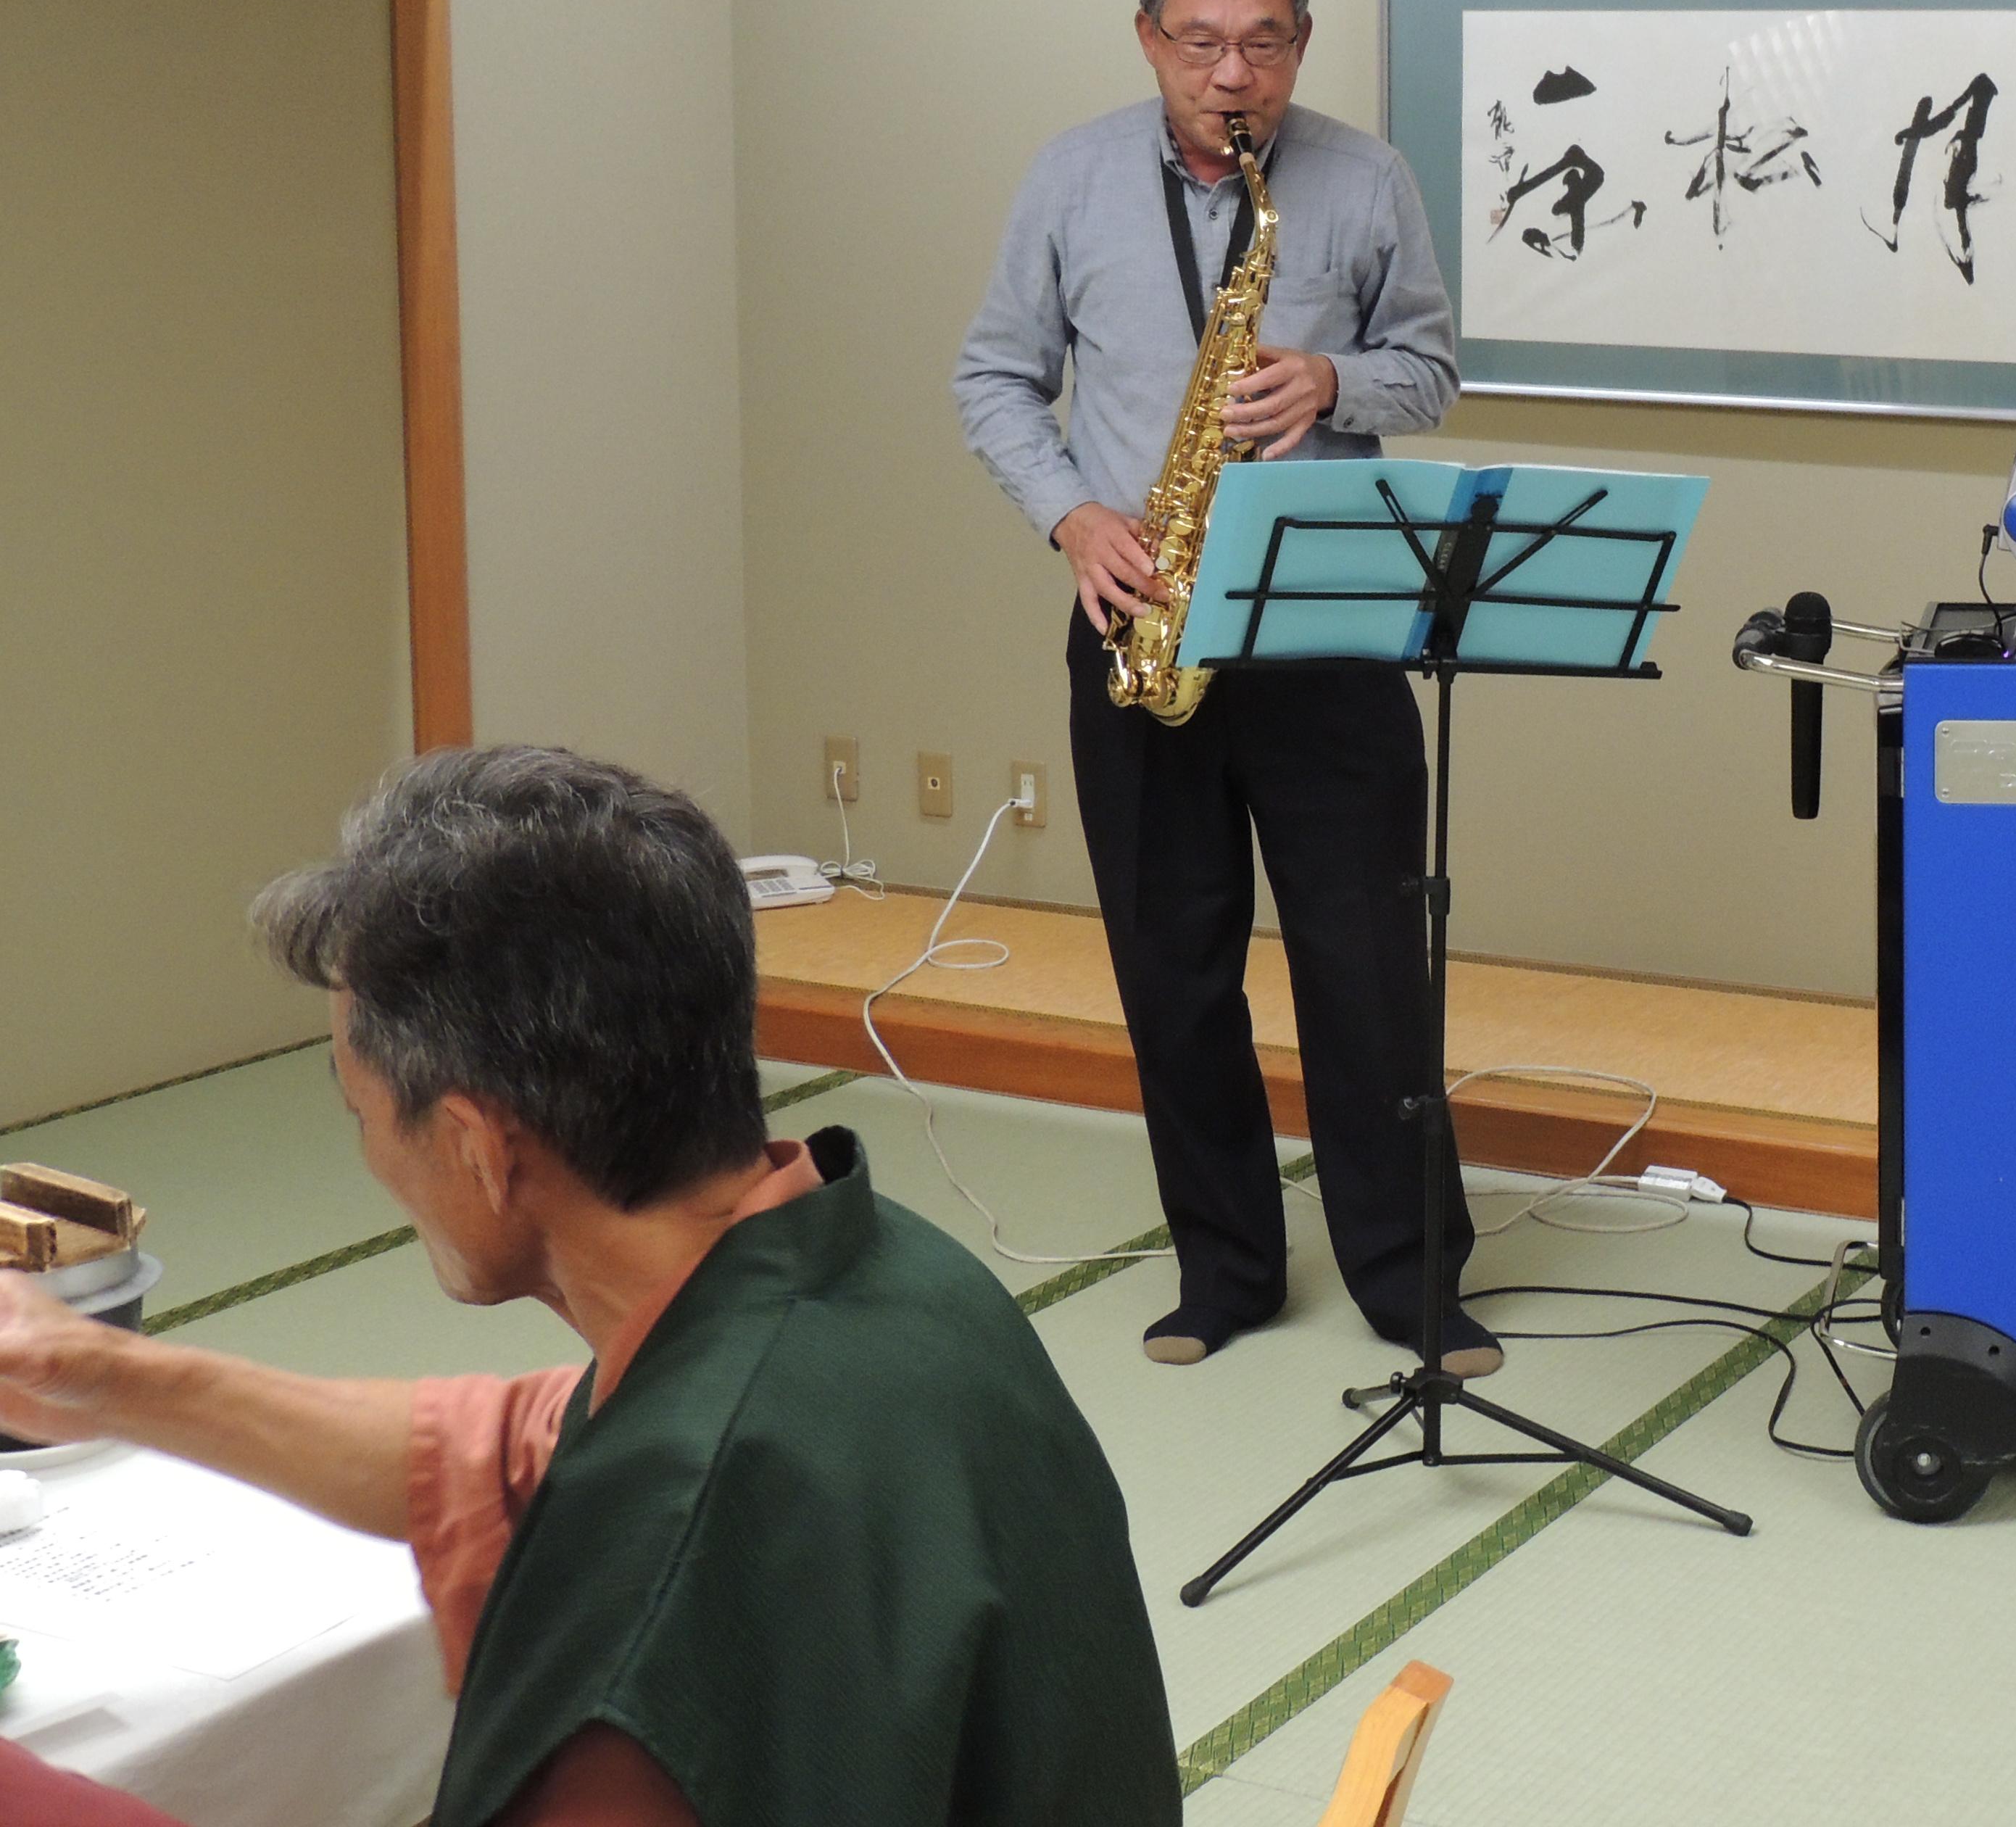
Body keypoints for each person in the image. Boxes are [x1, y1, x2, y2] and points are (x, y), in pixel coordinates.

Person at [0, 747, 1179, 1827]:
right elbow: (509, 1456)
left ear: (478, 1147)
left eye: (362, 1115)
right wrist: (99, 1374)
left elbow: (640, 1514)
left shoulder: (649, 1601)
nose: (370, 1158)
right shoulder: (882, 1277)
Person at [953, 0, 1495, 1377]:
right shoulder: (1071, 178)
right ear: (1149, 39)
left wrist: (1334, 379)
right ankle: (1226, 1270)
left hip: (1325, 622)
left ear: (1302, 42)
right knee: (1172, 968)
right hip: (1140, 619)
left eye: (1262, 43)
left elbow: (1432, 370)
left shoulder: (1365, 179)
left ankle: (1413, 1281)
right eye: (1199, 44)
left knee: (1367, 969)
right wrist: (1073, 517)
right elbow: (995, 378)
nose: (1231, 75)